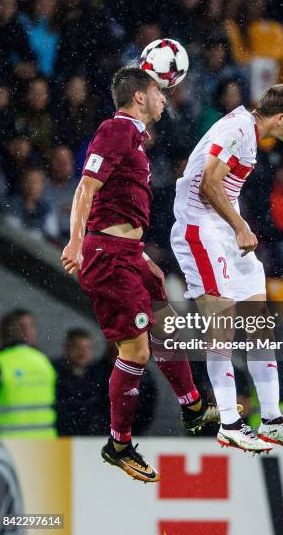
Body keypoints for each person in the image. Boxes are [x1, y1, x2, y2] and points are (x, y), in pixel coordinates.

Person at [61, 67, 224, 483]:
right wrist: (75, 241)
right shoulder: (115, 130)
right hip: (107, 254)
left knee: (167, 327)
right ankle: (118, 445)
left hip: (128, 253)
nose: (165, 97)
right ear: (138, 97)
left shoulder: (135, 139)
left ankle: (191, 406)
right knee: (135, 353)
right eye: (158, 90)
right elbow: (86, 187)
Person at [171, 83, 283, 452]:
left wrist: (235, 225)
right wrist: (240, 225)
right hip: (200, 229)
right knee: (222, 327)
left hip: (221, 227)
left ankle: (270, 419)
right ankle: (231, 423)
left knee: (258, 322)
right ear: (279, 118)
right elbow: (207, 183)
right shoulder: (237, 131)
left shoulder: (247, 130)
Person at [0, 309, 56, 438]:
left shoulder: (0, 362)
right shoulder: (44, 361)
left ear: (1, 333)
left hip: (7, 444)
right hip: (46, 443)